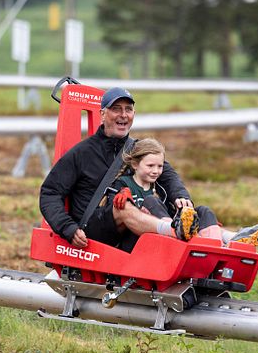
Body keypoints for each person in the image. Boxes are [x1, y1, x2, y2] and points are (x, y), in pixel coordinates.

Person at [40, 87, 196, 250]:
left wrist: (180, 196)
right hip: (92, 229)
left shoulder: (137, 149)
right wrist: (68, 228)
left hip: (130, 228)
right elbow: (50, 192)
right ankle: (176, 233)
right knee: (122, 206)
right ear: (102, 114)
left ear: (133, 115)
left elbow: (168, 175)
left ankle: (210, 246)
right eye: (116, 109)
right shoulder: (82, 153)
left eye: (128, 109)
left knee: (200, 211)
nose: (123, 115)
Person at [109, 138, 258, 249]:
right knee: (151, 201)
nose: (156, 171)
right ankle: (180, 234)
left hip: (166, 238)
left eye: (160, 166)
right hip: (138, 241)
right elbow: (116, 214)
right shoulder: (124, 184)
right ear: (135, 164)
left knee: (204, 211)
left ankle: (228, 242)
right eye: (150, 166)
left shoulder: (160, 188)